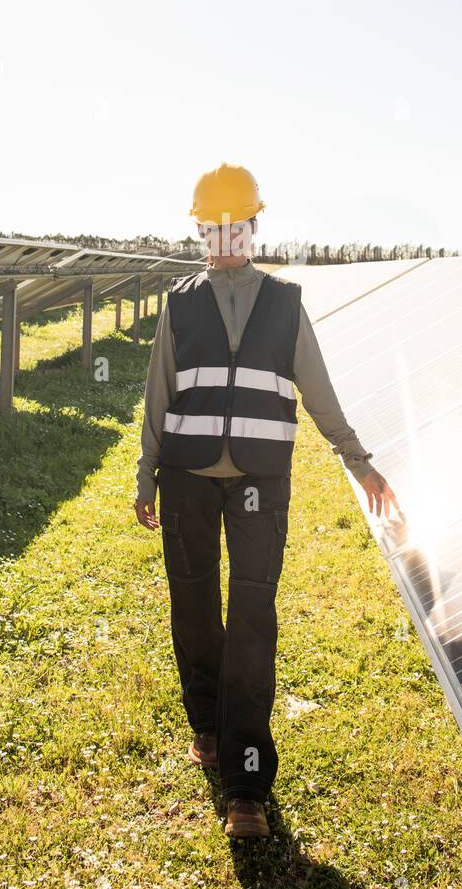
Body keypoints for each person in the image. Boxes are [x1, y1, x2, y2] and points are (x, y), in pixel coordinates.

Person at [134, 163, 401, 838]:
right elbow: (158, 395)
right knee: (193, 605)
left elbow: (318, 389)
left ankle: (246, 787)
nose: (225, 239)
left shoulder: (286, 304)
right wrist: (146, 474)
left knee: (253, 616)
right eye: (213, 230)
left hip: (261, 483)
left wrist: (358, 459)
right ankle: (209, 728)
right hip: (187, 479)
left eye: (236, 227)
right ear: (200, 232)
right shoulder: (179, 303)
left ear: (254, 228)